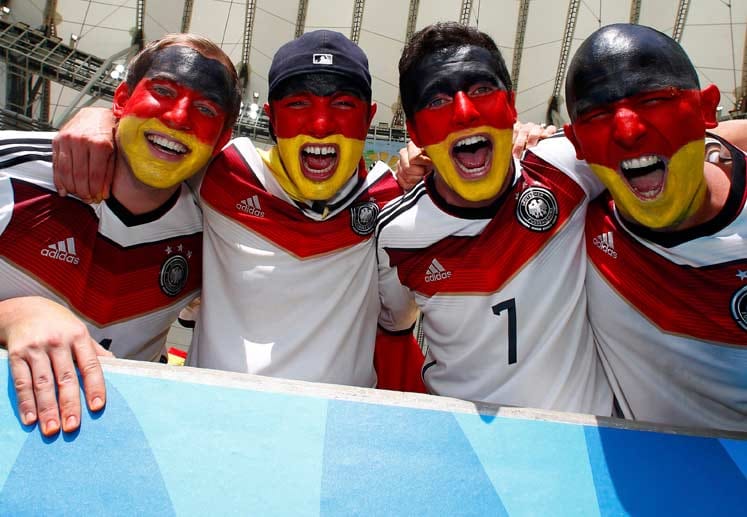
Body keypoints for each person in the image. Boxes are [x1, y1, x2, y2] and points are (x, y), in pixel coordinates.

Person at [53, 31, 426, 393]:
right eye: (298, 104)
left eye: (344, 105)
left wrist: (428, 186)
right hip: (212, 419)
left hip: (333, 430)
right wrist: (100, 118)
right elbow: (157, 143)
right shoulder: (222, 171)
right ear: (270, 117)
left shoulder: (389, 198)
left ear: (369, 116)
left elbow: (399, 316)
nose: (321, 125)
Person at [0, 33, 242, 436]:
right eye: (163, 91)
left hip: (113, 448)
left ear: (222, 141)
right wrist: (14, 314)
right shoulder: (11, 168)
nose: (179, 117)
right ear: (121, 99)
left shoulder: (213, 228)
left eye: (205, 108)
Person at [376, 22, 612, 414]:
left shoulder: (567, 166)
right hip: (464, 447)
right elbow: (397, 326)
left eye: (482, 90)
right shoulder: (396, 233)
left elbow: (676, 140)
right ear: (414, 131)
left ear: (511, 106)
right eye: (436, 101)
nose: (465, 113)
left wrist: (714, 154)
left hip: (583, 446)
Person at [561, 24, 747, 430]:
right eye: (598, 115)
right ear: (575, 142)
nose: (628, 130)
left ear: (706, 108)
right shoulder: (578, 220)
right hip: (642, 478)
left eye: (655, 100)